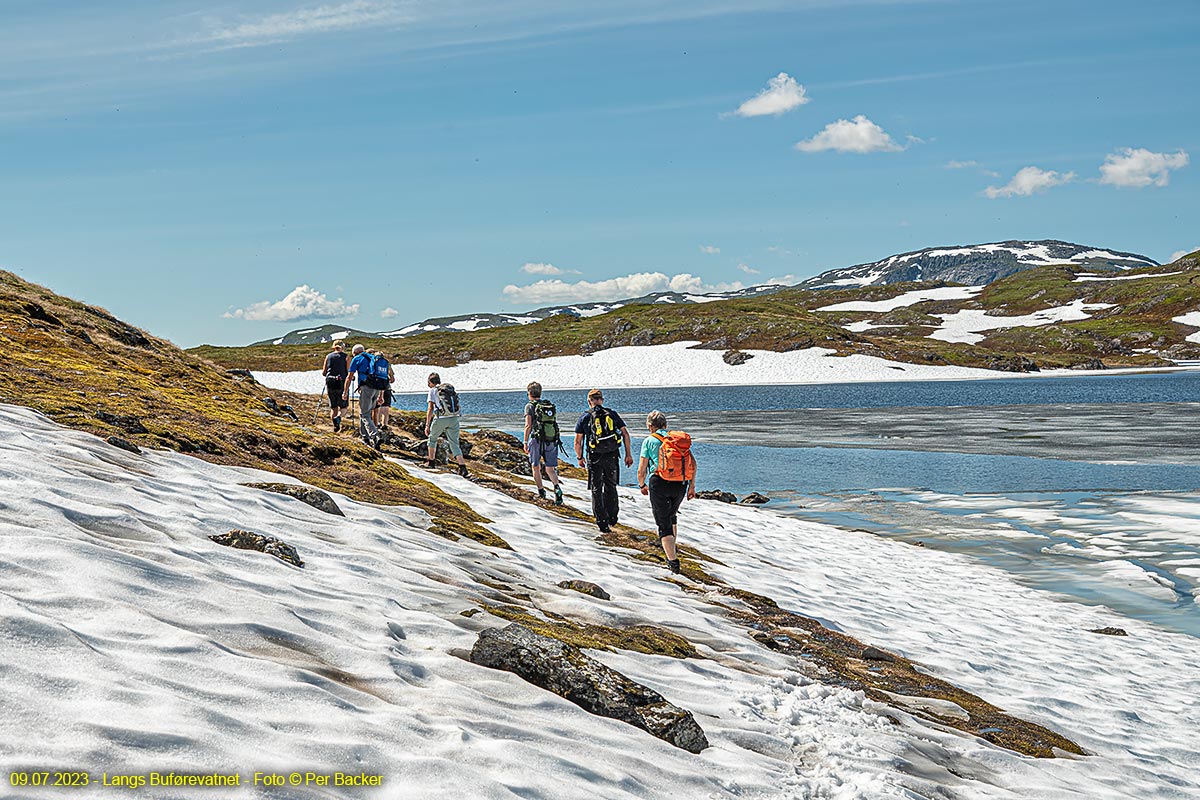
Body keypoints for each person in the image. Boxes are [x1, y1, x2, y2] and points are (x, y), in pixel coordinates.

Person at [637, 411, 696, 575]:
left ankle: (673, 563)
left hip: (659, 482)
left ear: (650, 426)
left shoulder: (649, 441)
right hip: (680, 484)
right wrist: (692, 486)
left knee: (663, 523)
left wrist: (642, 484)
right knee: (672, 515)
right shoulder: (676, 440)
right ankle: (673, 549)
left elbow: (642, 469)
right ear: (665, 425)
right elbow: (693, 463)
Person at [573, 388, 632, 533]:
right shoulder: (612, 414)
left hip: (594, 457)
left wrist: (579, 457)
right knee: (611, 486)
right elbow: (625, 433)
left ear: (589, 402)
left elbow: (577, 441)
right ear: (602, 400)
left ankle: (602, 522)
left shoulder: (585, 417)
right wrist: (628, 454)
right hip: (612, 455)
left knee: (596, 488)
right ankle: (612, 516)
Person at [523, 381, 563, 505]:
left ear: (529, 393)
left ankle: (541, 492)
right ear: (540, 392)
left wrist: (525, 441)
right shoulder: (547, 406)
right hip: (550, 439)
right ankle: (556, 487)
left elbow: (528, 425)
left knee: (536, 467)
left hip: (536, 439)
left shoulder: (529, 406)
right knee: (550, 468)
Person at [425, 372, 467, 477]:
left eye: (428, 382)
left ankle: (431, 461)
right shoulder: (447, 390)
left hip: (441, 418)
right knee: (454, 443)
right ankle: (462, 467)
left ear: (431, 382)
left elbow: (430, 408)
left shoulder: (433, 391)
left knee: (432, 439)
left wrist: (427, 424)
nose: (428, 385)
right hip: (454, 418)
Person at [343, 344, 382, 448]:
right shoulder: (374, 358)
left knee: (365, 414)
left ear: (355, 353)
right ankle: (365, 437)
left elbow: (349, 376)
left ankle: (375, 436)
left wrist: (345, 392)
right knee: (365, 412)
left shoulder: (357, 359)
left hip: (366, 388)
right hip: (377, 388)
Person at [321, 342, 349, 432]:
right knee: (343, 407)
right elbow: (348, 371)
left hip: (330, 381)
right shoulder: (346, 356)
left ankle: (335, 426)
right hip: (341, 382)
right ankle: (339, 418)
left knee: (334, 407)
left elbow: (324, 372)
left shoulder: (328, 356)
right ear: (343, 347)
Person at [373, 356, 396, 431]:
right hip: (386, 387)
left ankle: (378, 424)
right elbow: (392, 379)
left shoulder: (374, 363)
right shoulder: (387, 364)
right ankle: (385, 425)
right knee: (385, 409)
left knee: (378, 408)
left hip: (376, 387)